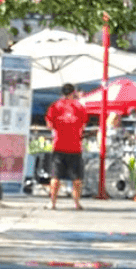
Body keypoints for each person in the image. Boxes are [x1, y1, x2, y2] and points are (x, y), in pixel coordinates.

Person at [45, 82, 87, 210]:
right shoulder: (79, 106)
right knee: (77, 179)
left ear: (61, 93)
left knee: (55, 177)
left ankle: (52, 203)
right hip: (74, 147)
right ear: (73, 92)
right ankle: (77, 203)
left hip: (58, 146)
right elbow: (83, 125)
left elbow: (49, 125)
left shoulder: (55, 106)